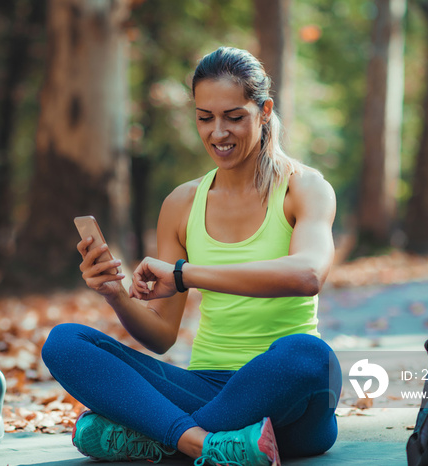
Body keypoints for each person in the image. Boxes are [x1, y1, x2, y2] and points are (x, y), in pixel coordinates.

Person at [41, 46, 341, 466]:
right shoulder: (182, 204)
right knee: (65, 341)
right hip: (207, 386)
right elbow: (162, 336)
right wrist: (117, 295)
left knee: (309, 356)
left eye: (234, 117)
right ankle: (202, 445)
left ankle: (161, 436)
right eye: (205, 118)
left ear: (265, 110)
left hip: (288, 395)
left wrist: (186, 274)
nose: (218, 132)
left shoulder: (304, 188)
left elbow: (308, 273)